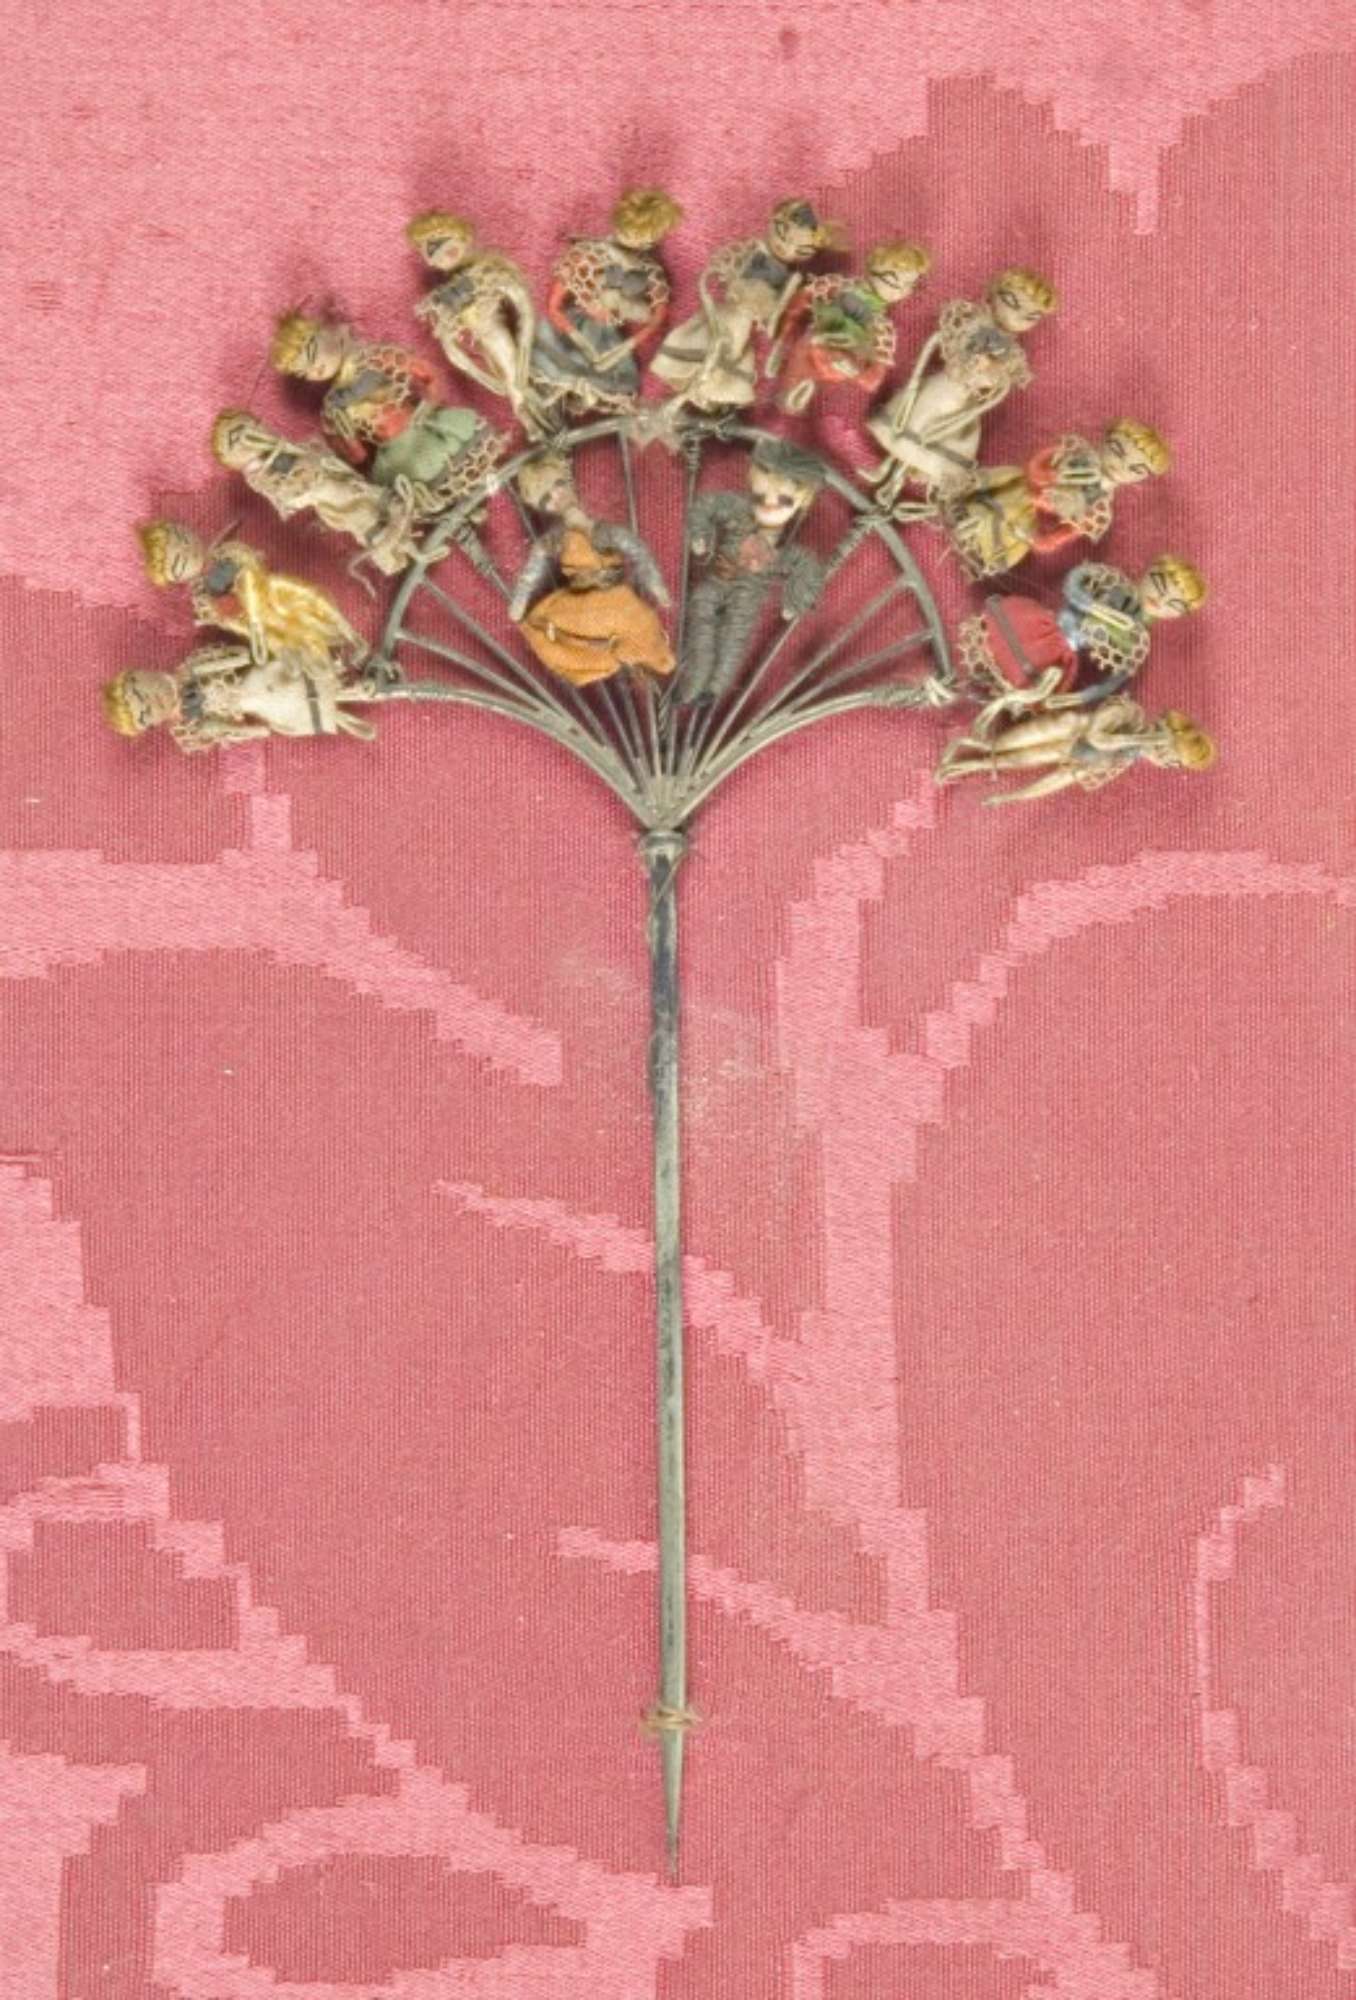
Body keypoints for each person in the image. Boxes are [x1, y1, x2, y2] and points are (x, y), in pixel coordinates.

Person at [864, 267, 1057, 505]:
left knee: (932, 441)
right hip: (944, 389)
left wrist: (991, 373)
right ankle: (885, 470)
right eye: (1011, 302)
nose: (1016, 316)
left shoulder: (1009, 351)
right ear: (992, 295)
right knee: (915, 428)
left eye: (1030, 316)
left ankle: (896, 483)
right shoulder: (974, 324)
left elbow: (998, 381)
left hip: (964, 405)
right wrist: (974, 361)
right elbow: (955, 348)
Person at [649, 198, 832, 414]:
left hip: (746, 320)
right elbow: (729, 268)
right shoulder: (756, 252)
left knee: (731, 352)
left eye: (801, 250)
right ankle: (693, 386)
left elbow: (781, 306)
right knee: (709, 343)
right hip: (728, 310)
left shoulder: (790, 277)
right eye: (782, 236)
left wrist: (774, 315)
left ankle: (707, 394)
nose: (786, 248)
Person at [681, 437, 826, 703]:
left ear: (803, 503)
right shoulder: (737, 513)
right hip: (719, 578)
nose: (769, 505)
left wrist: (795, 600)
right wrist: (699, 534)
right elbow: (706, 506)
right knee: (701, 609)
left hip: (748, 594)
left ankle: (714, 688)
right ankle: (696, 678)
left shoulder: (782, 554)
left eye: (784, 500)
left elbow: (807, 566)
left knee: (734, 636)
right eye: (759, 497)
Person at [508, 454, 674, 686]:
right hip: (582, 603)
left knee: (642, 623)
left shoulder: (603, 531)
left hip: (616, 598)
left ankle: (648, 661)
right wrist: (518, 603)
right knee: (550, 628)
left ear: (568, 480)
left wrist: (656, 586)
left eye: (558, 484)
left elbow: (638, 551)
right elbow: (530, 573)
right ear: (541, 507)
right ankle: (611, 658)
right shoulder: (555, 539)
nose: (556, 496)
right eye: (546, 499)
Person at [527, 189, 683, 423]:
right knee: (557, 377)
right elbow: (553, 305)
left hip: (609, 340)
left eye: (646, 237)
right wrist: (578, 338)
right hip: (573, 331)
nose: (637, 241)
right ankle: (550, 417)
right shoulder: (588, 254)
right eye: (630, 232)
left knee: (603, 384)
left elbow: (656, 318)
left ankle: (574, 416)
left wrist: (626, 346)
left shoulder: (649, 271)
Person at [940, 420, 1170, 578]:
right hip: (1019, 491)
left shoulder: (1098, 509)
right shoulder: (1073, 453)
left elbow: (1063, 535)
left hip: (1029, 520)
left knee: (1006, 540)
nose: (1120, 464)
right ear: (1106, 439)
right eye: (1117, 450)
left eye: (1135, 469)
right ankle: (962, 494)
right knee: (1003, 481)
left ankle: (979, 557)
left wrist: (1039, 540)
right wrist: (1051, 476)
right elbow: (1035, 466)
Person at [103, 642, 385, 752]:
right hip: (251, 704)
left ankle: (343, 670)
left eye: (142, 693)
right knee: (288, 708)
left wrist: (238, 659)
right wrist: (249, 731)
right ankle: (351, 702)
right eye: (146, 715)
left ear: (142, 674)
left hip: (252, 679)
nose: (152, 703)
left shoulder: (191, 667)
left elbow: (232, 657)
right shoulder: (189, 728)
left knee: (288, 674)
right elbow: (222, 728)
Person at [936, 696, 1215, 804]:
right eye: (1169, 751)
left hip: (1065, 753)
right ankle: (963, 747)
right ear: (1164, 734)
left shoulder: (1123, 759)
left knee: (1015, 759)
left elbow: (1063, 778)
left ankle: (970, 764)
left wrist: (1012, 797)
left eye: (1173, 763)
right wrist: (1137, 739)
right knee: (997, 746)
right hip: (1063, 728)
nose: (1164, 760)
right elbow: (1096, 737)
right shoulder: (1129, 713)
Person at [768, 241, 930, 415]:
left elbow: (875, 379)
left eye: (909, 286)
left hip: (836, 368)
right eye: (893, 280)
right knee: (808, 346)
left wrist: (856, 373)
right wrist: (784, 333)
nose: (900, 291)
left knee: (824, 354)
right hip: (810, 348)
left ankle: (800, 391)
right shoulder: (837, 287)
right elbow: (802, 299)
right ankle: (794, 389)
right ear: (872, 269)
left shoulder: (882, 327)